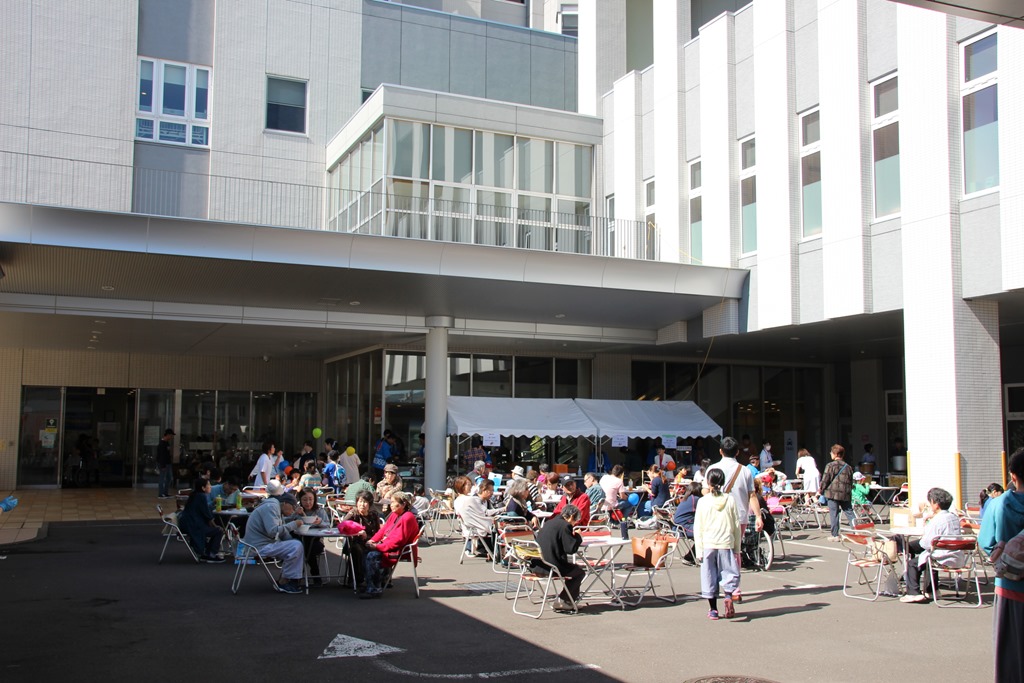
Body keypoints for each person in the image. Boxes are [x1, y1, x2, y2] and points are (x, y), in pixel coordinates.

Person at [979, 448, 1024, 683]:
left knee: (1011, 656)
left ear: (1013, 476)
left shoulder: (998, 504)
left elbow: (986, 542)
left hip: (1009, 587)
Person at [705, 436, 761, 603]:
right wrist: (758, 516)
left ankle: (718, 587)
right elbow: (752, 495)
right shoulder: (745, 471)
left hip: (717, 515)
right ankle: (734, 588)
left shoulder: (712, 469)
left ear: (720, 451)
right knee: (735, 551)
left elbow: (706, 492)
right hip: (739, 515)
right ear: (737, 452)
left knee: (716, 550)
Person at [898, 487, 963, 604]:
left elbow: (926, 543)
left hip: (941, 555)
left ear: (936, 504)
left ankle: (913, 592)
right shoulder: (954, 517)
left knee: (913, 563)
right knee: (921, 553)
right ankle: (931, 589)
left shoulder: (937, 520)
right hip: (955, 554)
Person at [694, 468, 741, 620]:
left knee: (709, 576)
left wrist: (699, 550)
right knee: (728, 573)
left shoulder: (703, 501)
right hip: (726, 542)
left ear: (708, 482)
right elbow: (736, 525)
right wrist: (737, 547)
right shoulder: (730, 499)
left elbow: (698, 527)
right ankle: (728, 595)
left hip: (708, 543)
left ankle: (713, 609)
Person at [242, 491, 305, 593]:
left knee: (296, 545)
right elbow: (273, 532)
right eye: (293, 507)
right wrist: (294, 524)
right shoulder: (271, 507)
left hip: (258, 544)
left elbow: (282, 533)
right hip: (257, 547)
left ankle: (287, 579)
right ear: (285, 503)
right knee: (296, 546)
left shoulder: (275, 508)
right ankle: (286, 582)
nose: (293, 511)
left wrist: (292, 540)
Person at [361, 491, 420, 599]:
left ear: (403, 504)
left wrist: (378, 546)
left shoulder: (407, 517)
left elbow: (398, 541)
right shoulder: (394, 514)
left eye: (393, 502)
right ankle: (374, 583)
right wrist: (372, 540)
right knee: (365, 551)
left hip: (400, 550)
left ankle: (374, 589)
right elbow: (383, 530)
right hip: (389, 546)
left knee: (372, 556)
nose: (391, 505)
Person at [534, 503, 585, 613]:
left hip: (537, 564)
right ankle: (564, 601)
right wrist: (577, 536)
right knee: (579, 572)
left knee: (574, 570)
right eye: (575, 521)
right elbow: (570, 549)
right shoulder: (565, 526)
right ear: (571, 516)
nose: (574, 524)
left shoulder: (549, 522)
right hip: (551, 566)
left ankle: (567, 601)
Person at [178, 477, 224, 562]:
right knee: (219, 531)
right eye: (208, 485)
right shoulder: (201, 496)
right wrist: (215, 526)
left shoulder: (194, 495)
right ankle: (211, 554)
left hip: (188, 524)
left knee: (216, 530)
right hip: (194, 526)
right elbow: (207, 515)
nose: (210, 486)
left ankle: (208, 551)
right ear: (203, 488)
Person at [454, 476, 501, 556]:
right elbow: (482, 512)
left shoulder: (466, 498)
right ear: (461, 486)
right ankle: (495, 552)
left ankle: (491, 551)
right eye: (468, 484)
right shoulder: (469, 499)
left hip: (471, 524)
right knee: (496, 527)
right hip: (474, 525)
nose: (471, 486)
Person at [343, 490, 382, 588]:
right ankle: (357, 579)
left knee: (384, 549)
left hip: (371, 541)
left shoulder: (373, 514)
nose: (362, 504)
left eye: (365, 502)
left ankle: (381, 579)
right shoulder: (353, 513)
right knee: (357, 550)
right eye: (360, 501)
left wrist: (372, 541)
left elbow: (378, 532)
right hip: (355, 542)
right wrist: (357, 531)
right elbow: (343, 525)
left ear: (370, 504)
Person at [819, 444, 855, 541]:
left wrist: (820, 490)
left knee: (834, 514)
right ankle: (857, 531)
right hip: (845, 493)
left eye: (831, 452)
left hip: (832, 493)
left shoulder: (830, 465)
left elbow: (825, 479)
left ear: (835, 454)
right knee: (849, 512)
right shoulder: (848, 467)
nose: (830, 454)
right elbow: (851, 481)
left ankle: (835, 535)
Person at [296, 488, 330, 585]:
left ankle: (300, 574)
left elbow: (328, 526)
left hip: (316, 541)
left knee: (309, 546)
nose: (308, 502)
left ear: (314, 499)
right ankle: (315, 574)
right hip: (299, 541)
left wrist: (320, 522)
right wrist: (295, 514)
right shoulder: (297, 510)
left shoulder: (319, 511)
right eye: (304, 499)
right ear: (300, 500)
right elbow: (286, 521)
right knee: (304, 546)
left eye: (310, 499)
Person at [600, 464, 634, 538]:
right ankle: (622, 521)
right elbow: (622, 496)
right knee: (630, 504)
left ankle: (615, 519)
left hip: (602, 503)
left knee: (620, 502)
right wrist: (628, 497)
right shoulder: (619, 481)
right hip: (612, 505)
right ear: (621, 474)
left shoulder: (604, 477)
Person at [157, 428, 175, 499]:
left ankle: (165, 492)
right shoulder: (162, 444)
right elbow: (161, 455)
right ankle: (160, 494)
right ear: (167, 435)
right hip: (163, 464)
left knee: (169, 478)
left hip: (168, 463)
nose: (172, 437)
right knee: (162, 478)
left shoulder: (167, 443)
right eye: (171, 435)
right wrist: (163, 465)